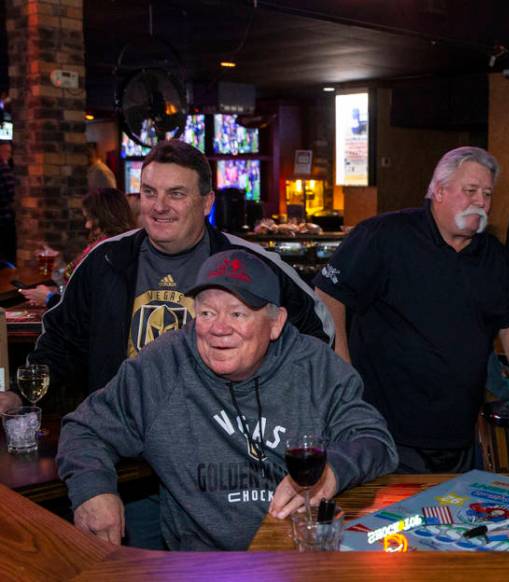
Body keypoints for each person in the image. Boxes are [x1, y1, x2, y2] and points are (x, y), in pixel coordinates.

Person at [57, 250, 396, 551]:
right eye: (206, 313)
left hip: (301, 559)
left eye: (237, 314)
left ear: (275, 322)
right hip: (204, 567)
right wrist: (92, 489)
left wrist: (333, 471)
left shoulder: (314, 366)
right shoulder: (163, 365)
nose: (218, 328)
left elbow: (374, 440)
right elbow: (85, 428)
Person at [27, 139, 332, 405]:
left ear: (206, 202)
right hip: (121, 439)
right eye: (149, 192)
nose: (159, 206)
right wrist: (20, 394)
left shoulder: (249, 262)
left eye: (176, 194)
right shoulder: (105, 260)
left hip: (218, 444)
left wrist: (266, 401)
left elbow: (316, 334)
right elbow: (61, 343)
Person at [313, 146, 509, 474]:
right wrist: (342, 370)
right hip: (384, 430)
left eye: (487, 193)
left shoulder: (495, 256)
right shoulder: (383, 237)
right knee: (389, 525)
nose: (481, 201)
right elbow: (327, 295)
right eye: (470, 191)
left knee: (450, 523)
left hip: (458, 433)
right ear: (438, 190)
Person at [20, 188, 136, 308]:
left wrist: (49, 298)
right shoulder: (110, 245)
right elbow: (79, 286)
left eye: (90, 219)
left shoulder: (109, 251)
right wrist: (56, 289)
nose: (87, 225)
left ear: (106, 217)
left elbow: (92, 304)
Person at [0, 141, 16, 268]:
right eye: (6, 151)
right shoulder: (4, 167)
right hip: (5, 217)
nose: (8, 155)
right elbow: (13, 192)